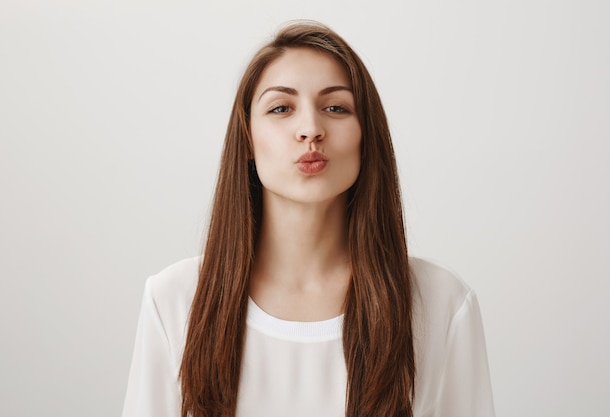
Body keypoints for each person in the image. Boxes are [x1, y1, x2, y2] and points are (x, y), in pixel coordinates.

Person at [122, 21, 495, 417]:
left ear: (365, 135)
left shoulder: (441, 304)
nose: (311, 130)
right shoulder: (175, 301)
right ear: (247, 139)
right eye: (281, 108)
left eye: (335, 108)